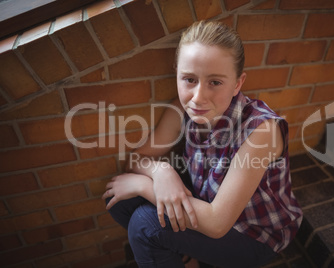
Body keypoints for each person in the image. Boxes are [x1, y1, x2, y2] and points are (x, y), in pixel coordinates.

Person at [102, 20, 303, 268]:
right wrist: (161, 171)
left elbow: (218, 223)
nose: (198, 97)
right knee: (120, 199)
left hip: (254, 234)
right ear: (177, 74)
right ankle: (186, 257)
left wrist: (145, 186)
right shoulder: (182, 109)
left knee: (146, 224)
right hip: (207, 202)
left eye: (215, 82)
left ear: (237, 83)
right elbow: (135, 158)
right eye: (189, 79)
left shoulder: (261, 131)